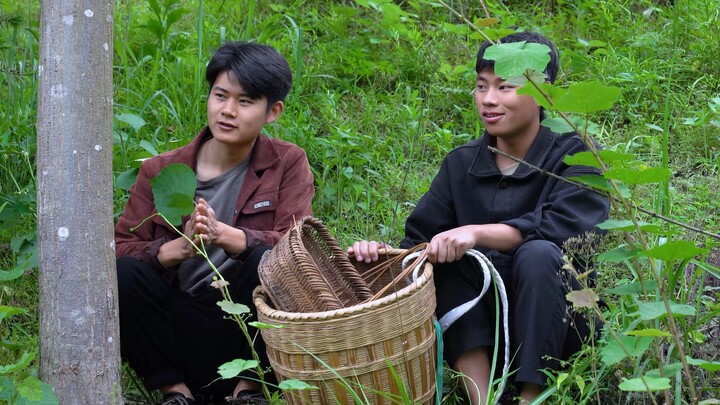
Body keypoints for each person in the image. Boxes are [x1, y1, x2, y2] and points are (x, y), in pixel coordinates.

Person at [349, 31, 609, 404]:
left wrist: (475, 232)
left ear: (543, 93)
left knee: (538, 254)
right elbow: (418, 243)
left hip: (559, 323)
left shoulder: (578, 155)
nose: (488, 99)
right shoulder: (460, 164)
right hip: (484, 326)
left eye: (505, 87)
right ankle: (483, 397)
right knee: (441, 262)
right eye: (481, 86)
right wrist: (379, 254)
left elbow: (564, 230)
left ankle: (529, 396)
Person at [114, 41, 314, 405]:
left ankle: (248, 392)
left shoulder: (287, 163)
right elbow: (121, 249)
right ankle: (175, 394)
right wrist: (179, 249)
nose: (227, 110)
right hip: (175, 329)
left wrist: (228, 236)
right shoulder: (160, 170)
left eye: (245, 101)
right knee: (124, 274)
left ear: (273, 111)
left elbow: (299, 246)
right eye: (220, 95)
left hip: (245, 325)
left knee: (268, 260)